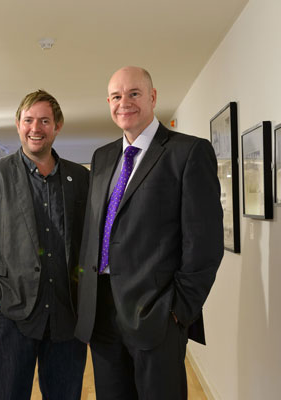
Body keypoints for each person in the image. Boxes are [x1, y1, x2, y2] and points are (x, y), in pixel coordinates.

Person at [75, 66, 224, 399]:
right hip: (101, 314)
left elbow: (205, 243)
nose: (123, 103)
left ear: (153, 97)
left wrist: (177, 312)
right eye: (116, 96)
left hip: (156, 316)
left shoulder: (188, 153)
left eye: (134, 94)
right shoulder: (103, 157)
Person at [0, 89, 90, 399]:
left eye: (44, 120)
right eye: (29, 120)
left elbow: (89, 240)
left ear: (57, 125)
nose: (36, 128)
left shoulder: (79, 178)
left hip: (66, 317)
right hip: (11, 315)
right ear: (18, 123)